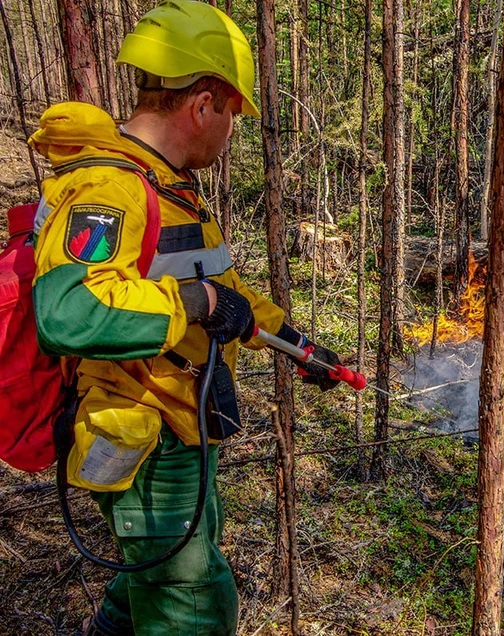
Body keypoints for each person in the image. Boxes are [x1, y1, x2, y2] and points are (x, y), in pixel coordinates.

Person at [30, 3, 340, 634]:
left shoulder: (167, 189)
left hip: (180, 426)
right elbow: (69, 311)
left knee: (147, 582)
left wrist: (301, 347)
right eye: (232, 115)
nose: (231, 133)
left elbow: (225, 295)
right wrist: (194, 305)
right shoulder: (109, 191)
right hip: (145, 435)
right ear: (203, 104)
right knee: (192, 602)